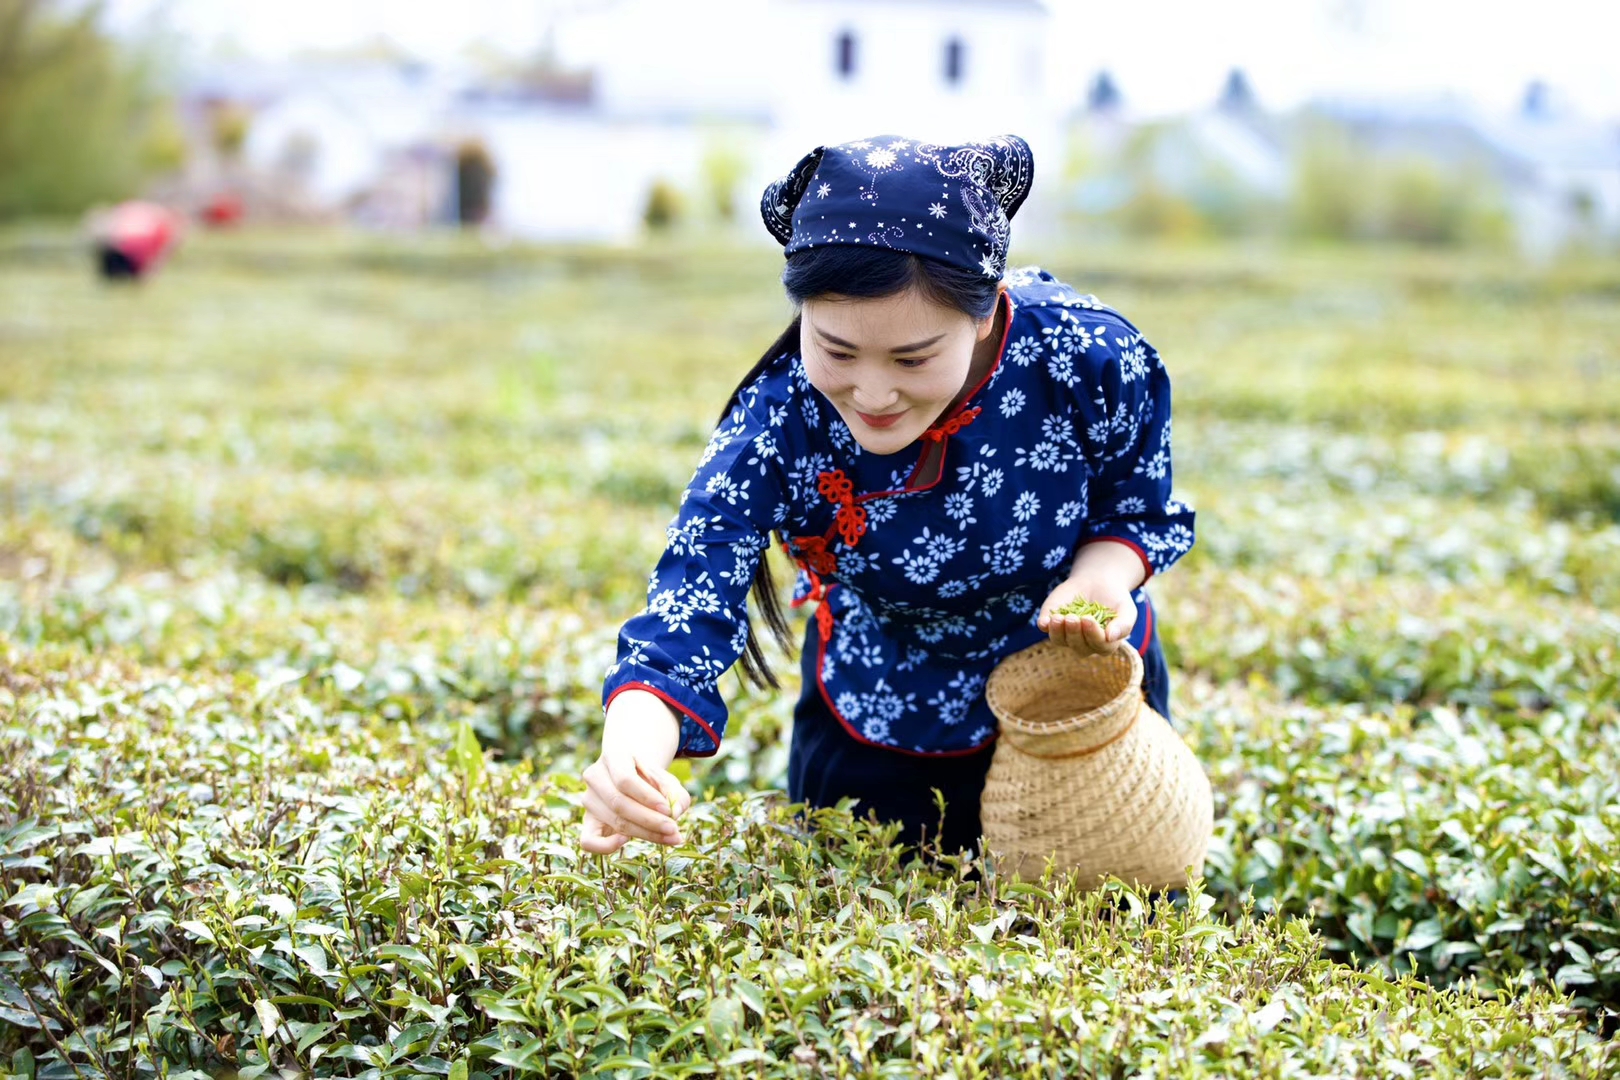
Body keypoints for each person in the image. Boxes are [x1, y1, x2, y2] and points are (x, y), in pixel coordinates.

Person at [579, 134, 1196, 873]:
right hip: (881, 712)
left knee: (1114, 916)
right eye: (836, 350)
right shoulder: (779, 418)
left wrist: (1102, 579)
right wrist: (633, 748)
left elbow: (1135, 505)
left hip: (1073, 703)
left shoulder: (1090, 358)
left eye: (913, 358)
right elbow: (693, 587)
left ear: (984, 312)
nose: (872, 395)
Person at [88, 200, 183, 281]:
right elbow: (161, 255)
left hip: (113, 246)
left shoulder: (135, 207)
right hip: (131, 257)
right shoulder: (166, 225)